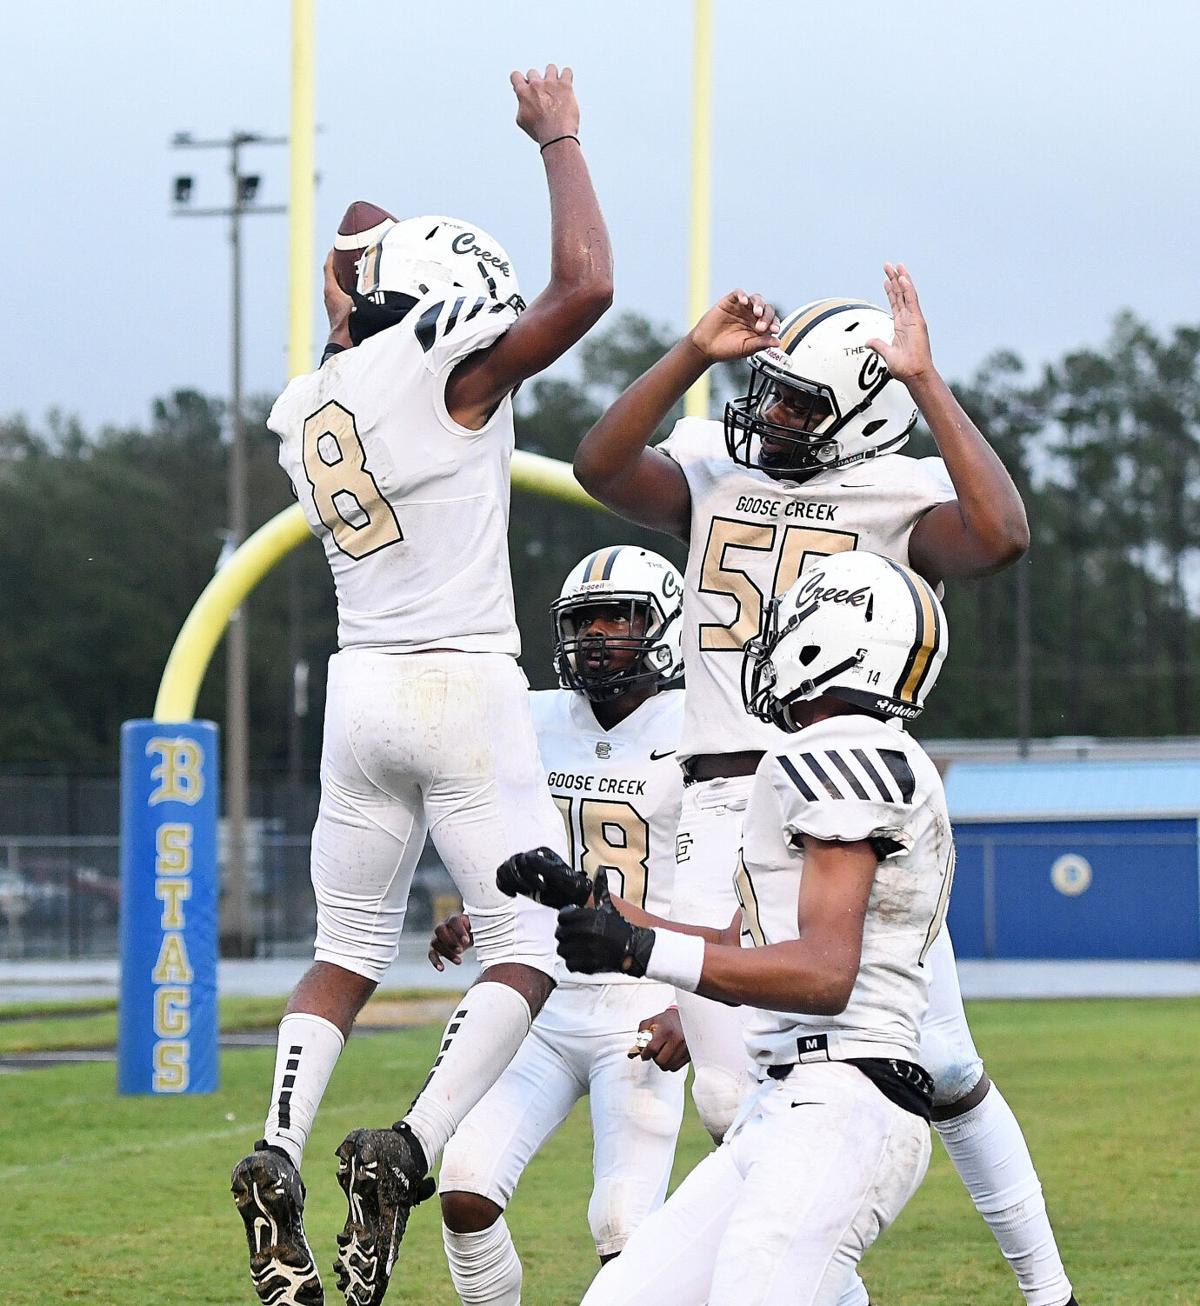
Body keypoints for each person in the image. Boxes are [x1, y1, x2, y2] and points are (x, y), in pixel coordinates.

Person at [572, 270, 1077, 1306]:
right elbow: (601, 464)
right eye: (774, 391)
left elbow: (1001, 536)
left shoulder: (899, 490)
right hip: (722, 798)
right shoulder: (717, 466)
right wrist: (693, 354)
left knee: (939, 1059)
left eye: (803, 400)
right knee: (740, 1085)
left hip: (839, 786)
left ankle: (1047, 1289)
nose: (775, 415)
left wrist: (928, 381)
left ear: (867, 415)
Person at [229, 65, 613, 1306]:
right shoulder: (452, 372)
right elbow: (589, 285)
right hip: (462, 685)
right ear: (450, 309)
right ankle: (413, 1142)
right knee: (533, 942)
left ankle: (277, 1149)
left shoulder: (310, 402)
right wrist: (556, 136)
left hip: (361, 694)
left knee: (343, 953)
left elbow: (354, 238)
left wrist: (371, 259)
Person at [501, 551, 953, 1303]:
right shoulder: (828, 756)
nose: (766, 645)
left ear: (832, 642)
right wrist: (593, 900)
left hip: (845, 1096)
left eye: (789, 624)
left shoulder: (843, 753)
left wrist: (640, 948)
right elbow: (739, 949)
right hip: (782, 1103)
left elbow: (823, 975)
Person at [426, 545, 689, 1305]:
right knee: (466, 1187)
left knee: (624, 1230)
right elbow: (526, 847)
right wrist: (483, 912)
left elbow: (723, 884)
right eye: (585, 619)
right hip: (542, 997)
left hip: (641, 1004)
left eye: (619, 617)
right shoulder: (534, 717)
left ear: (662, 625)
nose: (599, 633)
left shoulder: (699, 729)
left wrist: (693, 1006)